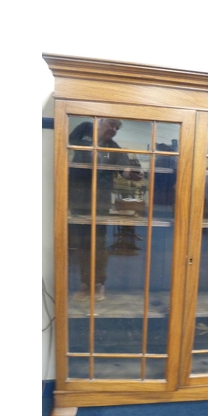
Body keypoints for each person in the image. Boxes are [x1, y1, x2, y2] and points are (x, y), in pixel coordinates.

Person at [68, 118, 143, 302]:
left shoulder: (114, 148)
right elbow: (67, 143)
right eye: (111, 124)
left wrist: (133, 174)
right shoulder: (85, 129)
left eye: (117, 127)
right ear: (100, 122)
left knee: (98, 244)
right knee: (81, 244)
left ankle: (99, 284)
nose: (114, 129)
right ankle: (85, 284)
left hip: (99, 204)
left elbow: (124, 170)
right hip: (77, 199)